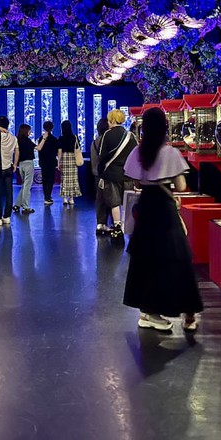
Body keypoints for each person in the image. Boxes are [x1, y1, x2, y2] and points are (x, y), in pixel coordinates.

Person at [122, 107, 204, 333]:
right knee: (178, 257)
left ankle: (147, 312)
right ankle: (188, 313)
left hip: (146, 208)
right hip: (165, 210)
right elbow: (180, 186)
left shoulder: (138, 152)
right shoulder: (170, 153)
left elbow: (136, 183)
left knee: (145, 260)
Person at [96, 109, 137, 244]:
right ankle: (131, 227)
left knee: (114, 202)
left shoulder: (107, 135)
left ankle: (117, 227)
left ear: (112, 120)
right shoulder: (131, 136)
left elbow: (102, 155)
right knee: (127, 202)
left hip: (111, 174)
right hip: (128, 174)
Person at [0, 115, 18, 225]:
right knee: (9, 193)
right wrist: (15, 164)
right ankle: (7, 216)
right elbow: (17, 151)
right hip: (9, 167)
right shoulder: (13, 137)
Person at [90, 117, 111, 234]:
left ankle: (100, 223)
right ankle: (114, 224)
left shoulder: (94, 143)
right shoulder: (108, 141)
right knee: (112, 199)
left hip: (97, 175)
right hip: (108, 174)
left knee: (100, 199)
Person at [56, 120, 82, 205]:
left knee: (64, 179)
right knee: (73, 179)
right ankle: (71, 198)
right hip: (73, 158)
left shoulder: (61, 138)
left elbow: (59, 151)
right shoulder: (74, 137)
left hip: (64, 159)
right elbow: (78, 148)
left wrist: (59, 162)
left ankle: (64, 198)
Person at [12, 123, 36, 214]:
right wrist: (44, 139)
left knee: (25, 186)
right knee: (27, 186)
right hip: (28, 164)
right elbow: (38, 148)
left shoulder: (17, 140)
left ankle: (17, 205)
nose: (30, 132)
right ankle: (26, 207)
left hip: (20, 165)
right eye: (29, 130)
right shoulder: (28, 141)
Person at [36, 120, 58, 205]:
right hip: (52, 162)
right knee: (50, 179)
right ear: (52, 128)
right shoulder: (54, 139)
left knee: (44, 179)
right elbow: (56, 151)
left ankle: (46, 196)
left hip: (43, 162)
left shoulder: (41, 139)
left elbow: (39, 150)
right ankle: (48, 196)